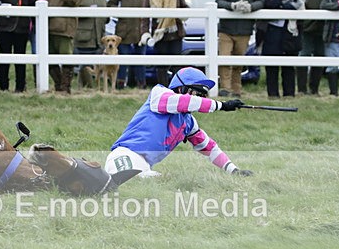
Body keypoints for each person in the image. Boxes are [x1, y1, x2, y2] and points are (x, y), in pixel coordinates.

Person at [105, 67, 251, 181]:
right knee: (130, 180)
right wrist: (221, 105)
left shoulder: (188, 123)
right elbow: (187, 102)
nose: (199, 99)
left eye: (202, 96)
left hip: (145, 166)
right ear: (181, 89)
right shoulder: (159, 94)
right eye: (196, 93)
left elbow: (210, 148)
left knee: (160, 183)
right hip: (125, 155)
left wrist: (234, 170)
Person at [215, 0, 264, 97]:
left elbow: (261, 1)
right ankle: (225, 88)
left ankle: (236, 89)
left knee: (239, 60)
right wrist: (232, 6)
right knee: (224, 58)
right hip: (226, 29)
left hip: (244, 29)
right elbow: (219, 0)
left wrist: (251, 7)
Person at [40, 0, 87, 94]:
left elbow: (73, 0)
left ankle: (65, 89)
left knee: (66, 58)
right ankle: (58, 86)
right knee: (48, 58)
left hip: (65, 26)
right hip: (50, 24)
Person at [292, 0, 336, 95]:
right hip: (306, 24)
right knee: (303, 55)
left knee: (320, 56)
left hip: (325, 26)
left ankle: (314, 89)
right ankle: (302, 89)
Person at [259, 0, 305, 99]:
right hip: (272, 32)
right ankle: (272, 94)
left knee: (289, 65)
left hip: (290, 31)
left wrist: (282, 5)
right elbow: (270, 4)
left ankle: (289, 94)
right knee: (271, 66)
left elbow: (299, 5)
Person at [141, 0, 189, 88]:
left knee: (177, 63)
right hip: (159, 33)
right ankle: (163, 88)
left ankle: (177, 88)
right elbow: (145, 15)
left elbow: (184, 7)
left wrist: (185, 12)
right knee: (161, 64)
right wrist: (145, 32)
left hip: (175, 32)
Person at [107, 0, 151, 89]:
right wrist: (121, 13)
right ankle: (120, 84)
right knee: (123, 58)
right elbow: (111, 4)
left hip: (140, 29)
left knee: (140, 58)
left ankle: (140, 84)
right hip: (124, 28)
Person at [75, 0, 108, 88]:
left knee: (97, 62)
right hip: (85, 33)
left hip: (99, 34)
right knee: (85, 63)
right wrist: (88, 11)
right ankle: (85, 87)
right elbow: (74, 8)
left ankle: (95, 87)